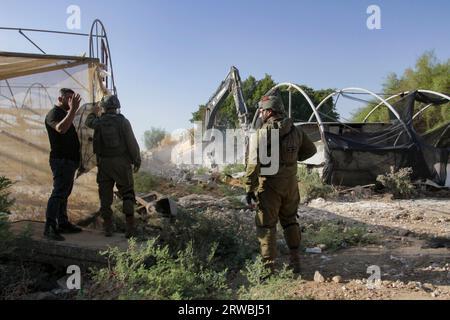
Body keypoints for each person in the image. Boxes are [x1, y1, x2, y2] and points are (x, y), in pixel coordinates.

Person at [244, 95, 316, 274]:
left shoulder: (261, 134)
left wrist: (249, 188)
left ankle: (268, 269)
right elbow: (311, 150)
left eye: (262, 110)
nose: (260, 113)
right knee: (290, 221)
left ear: (269, 111)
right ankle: (295, 261)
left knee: (266, 225)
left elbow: (253, 163)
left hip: (269, 185)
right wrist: (292, 158)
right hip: (291, 184)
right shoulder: (296, 131)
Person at [85, 95, 141, 238]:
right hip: (122, 163)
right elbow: (132, 143)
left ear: (104, 107)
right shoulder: (123, 122)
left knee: (105, 198)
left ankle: (108, 228)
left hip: (104, 164)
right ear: (117, 107)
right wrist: (136, 160)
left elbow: (88, 121)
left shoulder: (99, 121)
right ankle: (130, 229)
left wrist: (93, 111)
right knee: (127, 194)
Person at [44, 88, 83, 241]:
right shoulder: (54, 113)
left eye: (72, 99)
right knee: (59, 192)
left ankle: (63, 223)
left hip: (69, 161)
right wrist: (73, 109)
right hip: (61, 161)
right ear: (60, 99)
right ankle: (50, 227)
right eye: (68, 98)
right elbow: (61, 129)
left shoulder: (66, 114)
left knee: (64, 193)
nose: (70, 101)